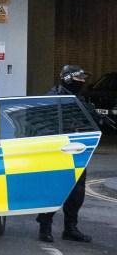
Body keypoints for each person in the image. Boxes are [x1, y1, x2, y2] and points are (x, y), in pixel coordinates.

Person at [37, 64, 95, 243]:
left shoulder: (78, 99)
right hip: (57, 151)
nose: (83, 82)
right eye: (79, 79)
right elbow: (40, 125)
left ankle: (70, 228)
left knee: (77, 192)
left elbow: (87, 122)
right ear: (69, 79)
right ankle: (44, 227)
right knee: (54, 189)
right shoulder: (51, 98)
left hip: (77, 151)